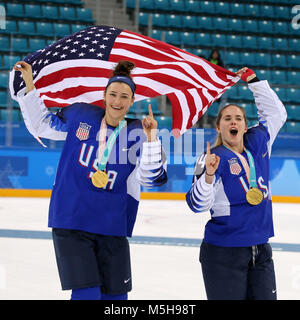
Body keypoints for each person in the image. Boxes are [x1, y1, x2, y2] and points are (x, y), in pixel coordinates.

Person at [13, 60, 167, 300]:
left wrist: (151, 141)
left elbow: (151, 178)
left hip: (112, 226)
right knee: (87, 294)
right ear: (104, 95)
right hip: (72, 220)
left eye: (124, 97)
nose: (117, 101)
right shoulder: (81, 115)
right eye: (113, 94)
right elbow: (42, 125)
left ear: (132, 101)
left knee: (116, 299)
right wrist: (30, 86)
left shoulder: (139, 132)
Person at [186, 67, 287, 300]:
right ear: (219, 126)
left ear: (245, 126)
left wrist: (254, 83)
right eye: (227, 118)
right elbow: (196, 205)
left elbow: (276, 115)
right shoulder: (211, 158)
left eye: (238, 118)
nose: (233, 121)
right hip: (224, 252)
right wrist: (209, 176)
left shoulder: (259, 143)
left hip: (261, 248)